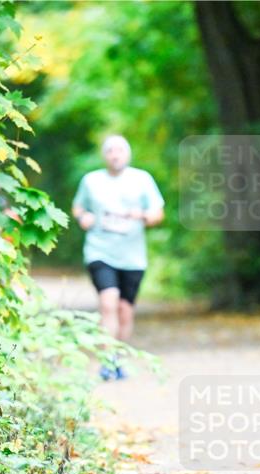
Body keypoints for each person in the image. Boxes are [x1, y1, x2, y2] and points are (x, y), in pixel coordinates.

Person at [72, 135, 165, 380]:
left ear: (128, 153)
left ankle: (116, 358)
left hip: (133, 257)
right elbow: (78, 207)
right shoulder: (91, 181)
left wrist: (143, 215)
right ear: (105, 155)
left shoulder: (141, 179)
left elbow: (158, 213)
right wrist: (84, 218)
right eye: (110, 150)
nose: (115, 154)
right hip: (99, 251)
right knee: (108, 302)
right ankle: (106, 360)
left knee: (125, 311)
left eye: (120, 150)